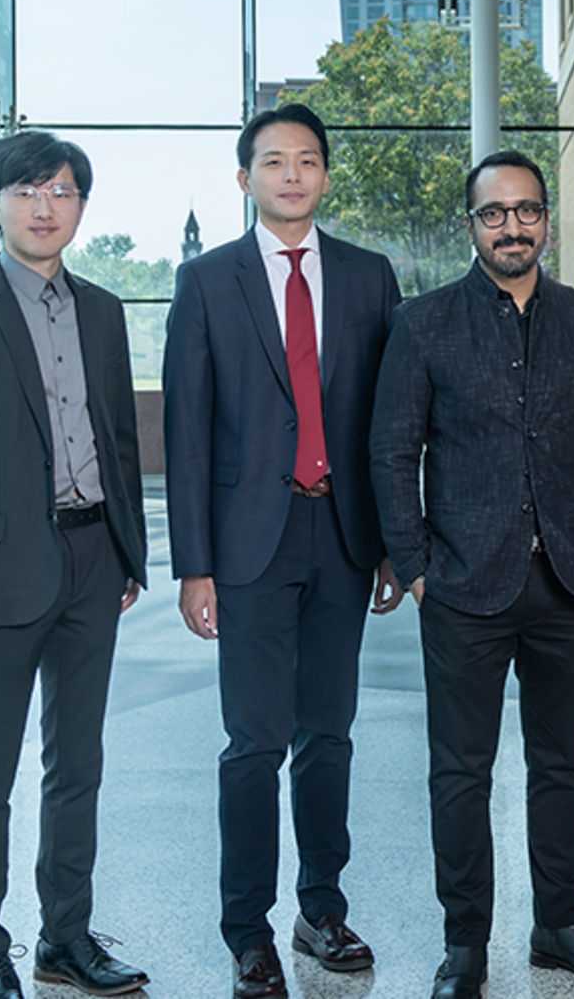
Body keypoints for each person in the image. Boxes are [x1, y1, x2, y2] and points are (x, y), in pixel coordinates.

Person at [370, 150, 574, 999]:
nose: (512, 226)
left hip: (570, 581)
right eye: (495, 214)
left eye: (527, 211)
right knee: (461, 771)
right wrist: (416, 565)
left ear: (546, 222)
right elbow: (392, 452)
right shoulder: (423, 325)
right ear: (472, 227)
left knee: (561, 764)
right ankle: (466, 945)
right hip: (463, 585)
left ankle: (559, 924)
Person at [164, 102, 405, 999]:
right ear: (245, 179)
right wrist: (195, 564)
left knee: (329, 736)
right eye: (273, 162)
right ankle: (246, 930)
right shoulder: (207, 281)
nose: (292, 174)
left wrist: (387, 542)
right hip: (247, 544)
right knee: (253, 743)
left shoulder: (370, 277)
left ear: (326, 175)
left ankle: (322, 909)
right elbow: (187, 434)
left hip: (342, 536)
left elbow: (390, 425)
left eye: (307, 160)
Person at [0, 130, 151, 999]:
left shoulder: (106, 312)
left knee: (77, 762)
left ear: (81, 206)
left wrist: (130, 551)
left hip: (93, 562)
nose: (45, 206)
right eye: (26, 191)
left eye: (61, 190)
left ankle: (67, 937)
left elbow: (118, 439)